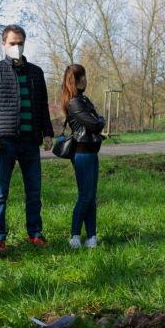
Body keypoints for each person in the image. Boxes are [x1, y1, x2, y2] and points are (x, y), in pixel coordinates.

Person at [0, 24, 54, 251]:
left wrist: (48, 132)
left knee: (34, 192)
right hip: (4, 142)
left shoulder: (36, 72)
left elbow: (43, 106)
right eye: (12, 43)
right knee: (0, 193)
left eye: (20, 43)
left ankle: (35, 234)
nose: (16, 47)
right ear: (4, 44)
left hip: (30, 142)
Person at [61, 64, 104, 249]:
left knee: (91, 196)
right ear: (81, 79)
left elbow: (95, 119)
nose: (86, 80)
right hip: (82, 153)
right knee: (85, 196)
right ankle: (75, 237)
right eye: (84, 77)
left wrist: (97, 119)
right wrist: (100, 120)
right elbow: (95, 124)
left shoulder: (83, 99)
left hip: (92, 152)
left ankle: (91, 237)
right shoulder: (74, 103)